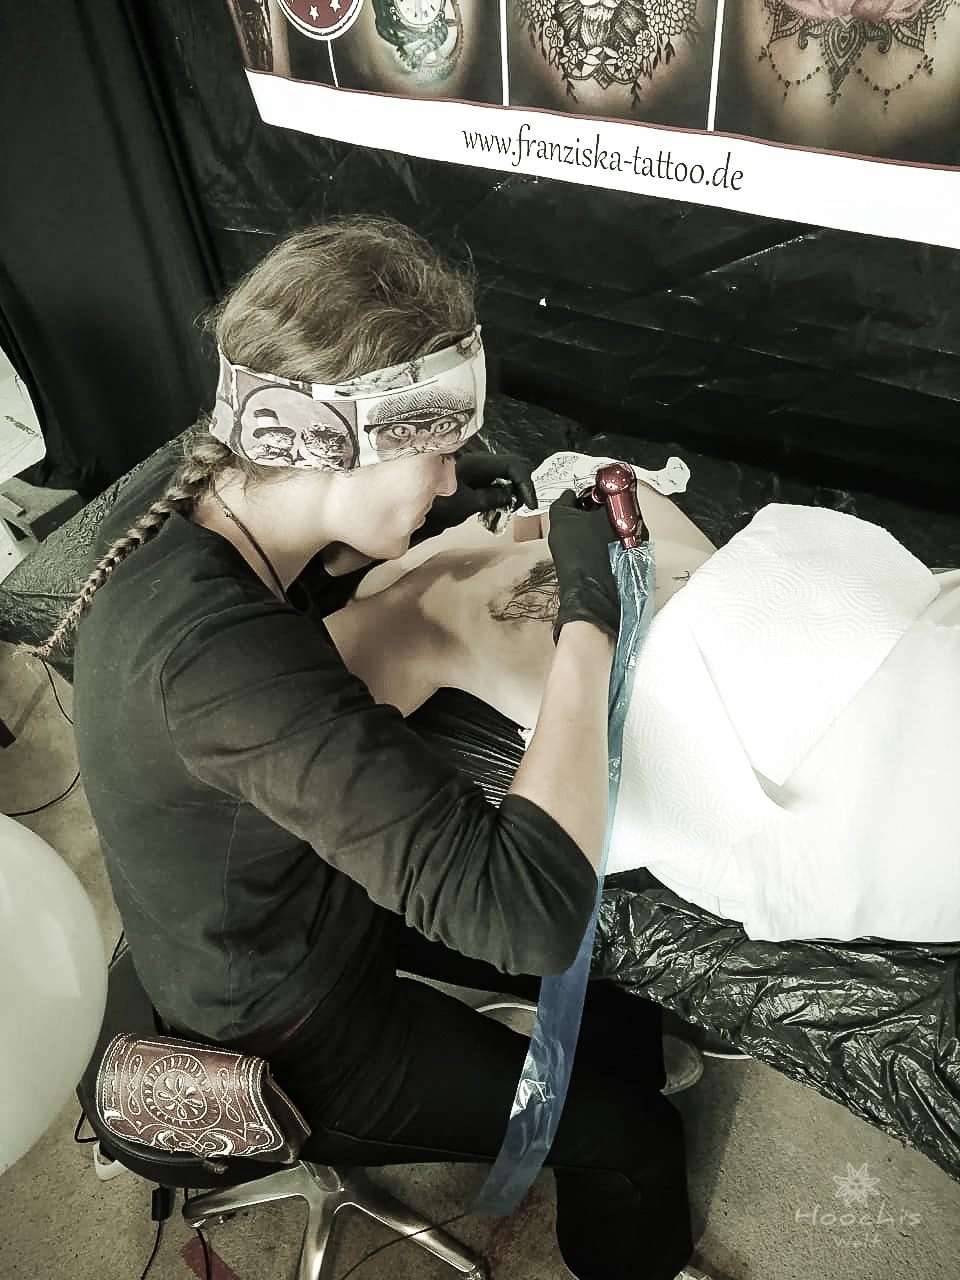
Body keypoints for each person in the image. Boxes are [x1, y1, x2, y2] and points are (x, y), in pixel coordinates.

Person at [40, 217, 694, 1280]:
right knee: (634, 1133)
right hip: (291, 1030)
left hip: (285, 907)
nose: (448, 479)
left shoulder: (204, 534)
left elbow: (330, 605)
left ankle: (605, 1076)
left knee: (616, 967)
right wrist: (590, 616)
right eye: (438, 451)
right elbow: (526, 914)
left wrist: (420, 521)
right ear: (339, 446)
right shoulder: (221, 665)